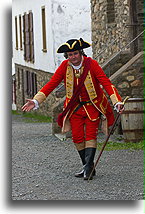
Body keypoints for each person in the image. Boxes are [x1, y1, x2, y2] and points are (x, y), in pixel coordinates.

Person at [22, 38, 124, 180]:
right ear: (67, 56)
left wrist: (117, 101)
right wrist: (36, 100)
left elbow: (106, 83)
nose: (73, 57)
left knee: (90, 135)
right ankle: (87, 165)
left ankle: (88, 168)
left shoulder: (92, 64)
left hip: (92, 106)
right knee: (76, 137)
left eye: (75, 53)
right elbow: (51, 84)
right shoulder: (65, 66)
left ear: (81, 53)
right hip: (74, 108)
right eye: (70, 55)